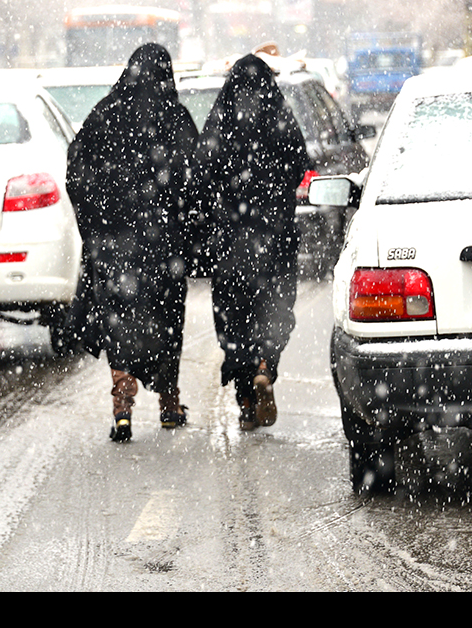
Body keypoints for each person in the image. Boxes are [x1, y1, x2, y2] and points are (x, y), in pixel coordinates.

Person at [65, 43, 198, 442]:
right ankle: (169, 405)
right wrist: (185, 228)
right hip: (163, 246)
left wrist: (96, 226)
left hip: (113, 245)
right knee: (166, 321)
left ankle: (122, 403)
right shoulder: (175, 118)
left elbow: (76, 173)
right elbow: (196, 177)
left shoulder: (104, 114)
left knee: (119, 318)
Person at [193, 53, 311, 431]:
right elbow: (299, 166)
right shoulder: (280, 116)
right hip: (275, 238)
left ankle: (245, 400)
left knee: (235, 319)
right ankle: (265, 365)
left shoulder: (221, 120)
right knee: (274, 310)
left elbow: (202, 170)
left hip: (230, 241)